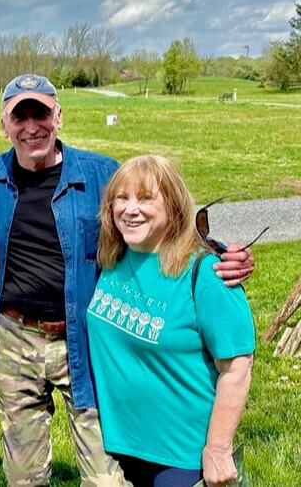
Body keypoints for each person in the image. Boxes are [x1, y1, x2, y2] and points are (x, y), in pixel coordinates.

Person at [0, 73, 256, 486]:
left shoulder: (100, 173)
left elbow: (156, 222)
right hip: (15, 335)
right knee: (22, 476)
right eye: (20, 116)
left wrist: (220, 252)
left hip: (82, 335)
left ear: (58, 116)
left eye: (41, 114)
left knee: (105, 475)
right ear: (4, 125)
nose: (32, 127)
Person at [88, 155, 255, 486]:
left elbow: (237, 366)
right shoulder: (112, 256)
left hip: (182, 456)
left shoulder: (205, 273)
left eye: (146, 198)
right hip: (120, 445)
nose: (130, 209)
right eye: (122, 198)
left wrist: (218, 450)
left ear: (174, 208)